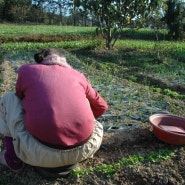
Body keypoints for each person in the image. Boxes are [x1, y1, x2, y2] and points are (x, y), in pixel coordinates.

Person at [0, 48, 108, 178]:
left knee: (9, 98)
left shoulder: (27, 70)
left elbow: (19, 97)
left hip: (37, 153)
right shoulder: (78, 75)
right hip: (85, 149)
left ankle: (12, 156)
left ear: (40, 60)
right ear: (64, 61)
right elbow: (102, 106)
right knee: (83, 98)